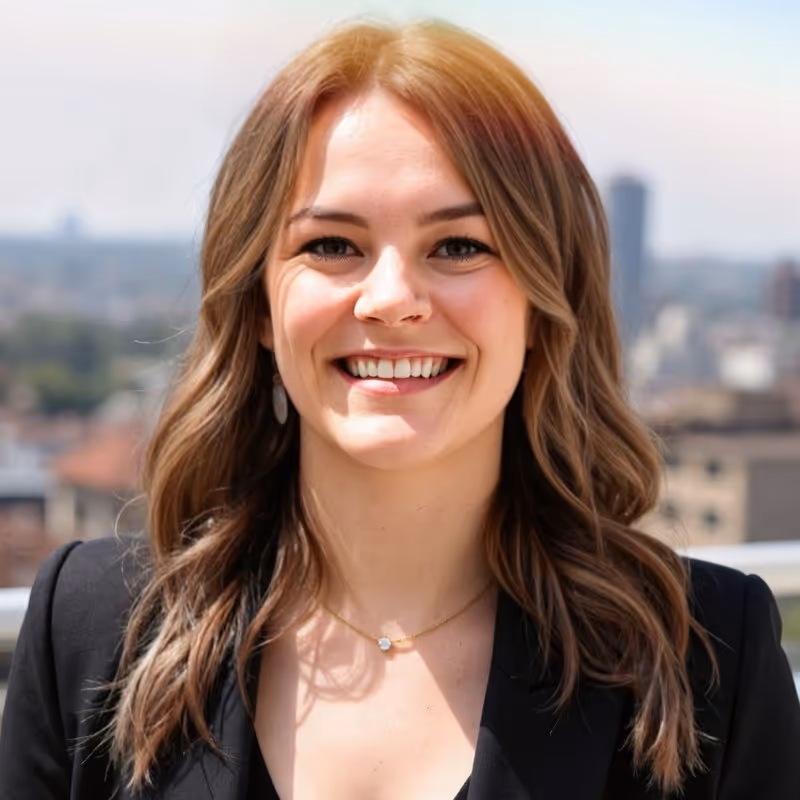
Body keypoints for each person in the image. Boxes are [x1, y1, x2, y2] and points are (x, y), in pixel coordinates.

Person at [1, 18, 799, 800]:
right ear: (257, 305)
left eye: (459, 247)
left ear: (544, 304)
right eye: (331, 245)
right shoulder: (88, 629)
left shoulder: (710, 659)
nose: (390, 299)